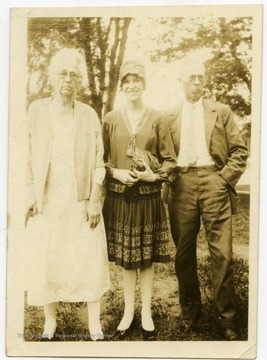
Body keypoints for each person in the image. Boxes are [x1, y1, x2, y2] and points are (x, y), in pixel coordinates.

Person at [24, 48, 110, 341]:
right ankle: (50, 322)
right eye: (63, 73)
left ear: (80, 81)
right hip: (47, 198)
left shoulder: (88, 114)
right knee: (47, 258)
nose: (68, 80)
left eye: (74, 75)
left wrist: (95, 199)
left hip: (80, 198)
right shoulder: (37, 111)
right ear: (52, 77)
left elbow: (99, 161)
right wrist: (30, 194)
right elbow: (25, 156)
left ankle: (94, 324)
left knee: (88, 256)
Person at [164, 60, 248, 340]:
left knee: (222, 253)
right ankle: (191, 313)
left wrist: (223, 180)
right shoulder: (169, 116)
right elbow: (159, 153)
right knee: (184, 253)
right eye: (192, 78)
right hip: (182, 185)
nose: (198, 83)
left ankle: (228, 320)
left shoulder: (220, 112)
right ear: (180, 81)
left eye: (201, 78)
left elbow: (239, 151)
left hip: (215, 182)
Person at [102, 60, 176, 340]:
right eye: (127, 81)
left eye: (137, 80)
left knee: (145, 259)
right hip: (120, 198)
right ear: (121, 86)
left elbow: (170, 160)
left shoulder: (158, 118)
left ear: (144, 84)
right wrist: (115, 172)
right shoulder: (110, 118)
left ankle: (145, 311)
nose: (132, 85)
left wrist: (152, 177)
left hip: (147, 198)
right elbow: (101, 159)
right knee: (126, 259)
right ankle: (127, 310)